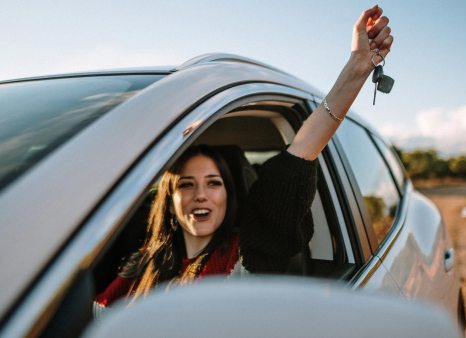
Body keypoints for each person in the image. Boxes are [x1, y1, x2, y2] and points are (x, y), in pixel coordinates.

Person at [94, 4, 393, 311]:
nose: (200, 195)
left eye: (213, 183)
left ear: (228, 193)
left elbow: (301, 153)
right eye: (185, 185)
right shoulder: (144, 261)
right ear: (169, 200)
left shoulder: (251, 254)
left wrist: (357, 68)